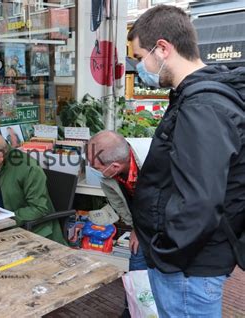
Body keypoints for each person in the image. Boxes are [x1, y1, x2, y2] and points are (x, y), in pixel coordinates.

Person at [128, 5, 245, 317]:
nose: (140, 67)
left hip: (187, 270)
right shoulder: (197, 97)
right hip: (191, 264)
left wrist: (166, 254)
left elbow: (200, 200)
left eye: (140, 57)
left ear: (163, 48)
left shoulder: (202, 106)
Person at [87, 130, 149, 317]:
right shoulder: (110, 174)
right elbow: (119, 203)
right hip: (142, 225)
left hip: (172, 229)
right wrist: (135, 227)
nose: (94, 170)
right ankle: (131, 310)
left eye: (96, 167)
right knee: (137, 268)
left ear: (114, 166)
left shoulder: (156, 158)